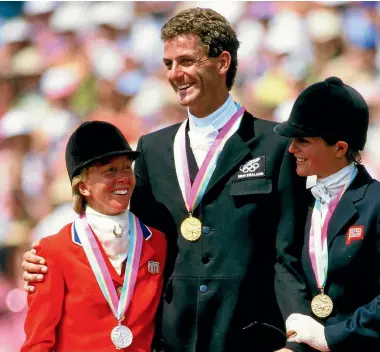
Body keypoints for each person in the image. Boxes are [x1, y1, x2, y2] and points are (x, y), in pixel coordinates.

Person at [21, 8, 309, 352]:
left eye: (185, 61)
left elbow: (291, 255)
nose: (175, 74)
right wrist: (46, 260)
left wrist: (297, 340)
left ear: (222, 62)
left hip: (252, 338)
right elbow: (121, 231)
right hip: (172, 341)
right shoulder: (152, 149)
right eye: (168, 64)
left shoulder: (275, 145)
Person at [274, 76, 380, 352]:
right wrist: (299, 335)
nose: (292, 149)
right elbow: (286, 268)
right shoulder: (299, 204)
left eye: (302, 140)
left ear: (340, 148)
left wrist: (333, 337)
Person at [21, 121, 167, 351]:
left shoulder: (157, 242)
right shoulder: (52, 251)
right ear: (83, 186)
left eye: (126, 168)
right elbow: (38, 342)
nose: (122, 178)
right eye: (109, 170)